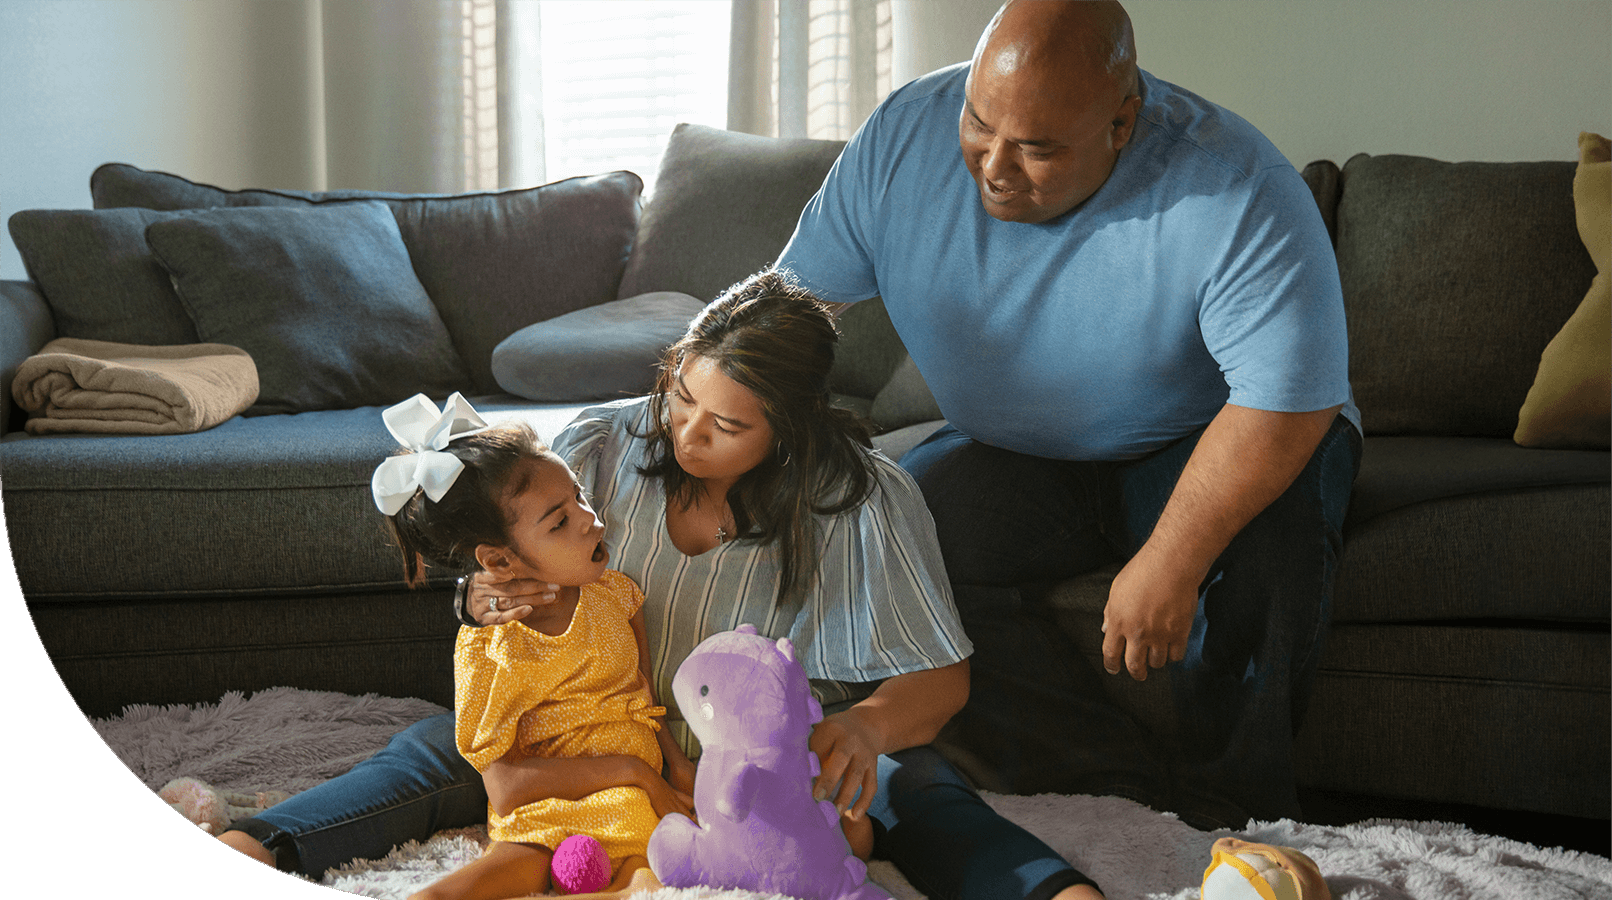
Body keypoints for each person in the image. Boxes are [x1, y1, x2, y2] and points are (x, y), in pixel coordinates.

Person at [221, 272, 1107, 900]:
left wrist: (863, 728)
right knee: (432, 749)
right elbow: (499, 552)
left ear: (789, 429)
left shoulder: (862, 499)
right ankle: (259, 842)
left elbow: (940, 677)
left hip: (770, 754)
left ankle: (1056, 893)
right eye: (681, 396)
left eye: (726, 425)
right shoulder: (605, 448)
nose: (687, 434)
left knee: (910, 788)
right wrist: (479, 600)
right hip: (598, 732)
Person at [774, 0, 1361, 829]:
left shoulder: (1237, 185)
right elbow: (790, 308)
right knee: (895, 534)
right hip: (1018, 452)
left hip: (1208, 437)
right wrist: (702, 400)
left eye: (1038, 147)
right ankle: (1115, 789)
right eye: (979, 125)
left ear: (1123, 123)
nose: (996, 166)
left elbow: (1287, 404)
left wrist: (1170, 560)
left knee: (1269, 540)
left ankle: (1235, 819)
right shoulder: (904, 134)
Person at [371, 394, 694, 899]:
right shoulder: (492, 648)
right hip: (545, 811)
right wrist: (635, 773)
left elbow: (644, 701)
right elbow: (504, 786)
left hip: (634, 805)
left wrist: (675, 768)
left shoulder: (618, 596)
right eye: (559, 521)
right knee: (468, 886)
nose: (589, 518)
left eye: (580, 496)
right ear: (499, 562)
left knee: (644, 880)